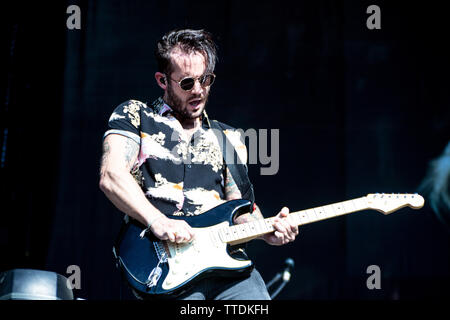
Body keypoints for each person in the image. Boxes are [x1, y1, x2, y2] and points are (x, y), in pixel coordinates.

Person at [99, 28, 299, 300]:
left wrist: (266, 231)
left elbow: (240, 209)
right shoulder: (135, 115)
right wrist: (157, 220)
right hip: (163, 264)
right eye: (186, 83)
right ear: (162, 80)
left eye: (205, 80)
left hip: (226, 269)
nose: (198, 90)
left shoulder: (228, 138)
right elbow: (111, 176)